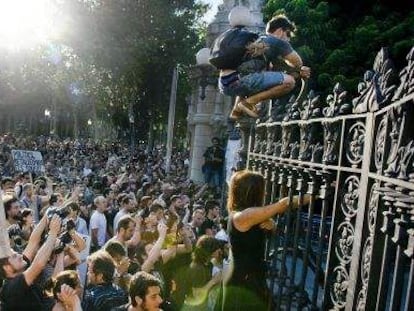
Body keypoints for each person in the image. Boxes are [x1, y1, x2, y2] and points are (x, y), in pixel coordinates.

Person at [221, 170, 311, 311]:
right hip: (244, 282)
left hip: (251, 278)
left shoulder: (243, 214)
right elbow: (283, 205)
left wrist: (272, 226)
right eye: (262, 188)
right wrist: (317, 195)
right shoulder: (243, 216)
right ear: (252, 192)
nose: (265, 192)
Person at [217, 8, 311, 119]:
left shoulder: (259, 40)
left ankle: (236, 111)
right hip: (239, 81)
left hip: (224, 83)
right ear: (281, 31)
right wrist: (301, 70)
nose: (288, 39)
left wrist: (292, 70)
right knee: (289, 82)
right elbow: (297, 62)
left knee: (260, 75)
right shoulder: (277, 42)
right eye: (288, 34)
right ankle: (247, 103)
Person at [0, 214, 61, 311]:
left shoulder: (18, 269)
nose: (20, 255)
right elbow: (38, 264)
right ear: (6, 268)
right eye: (15, 256)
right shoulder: (10, 288)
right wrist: (53, 233)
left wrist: (47, 217)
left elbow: (33, 242)